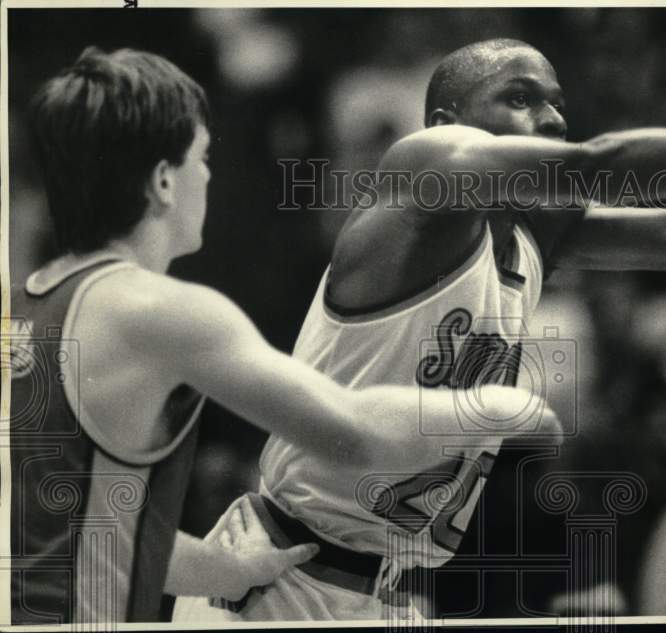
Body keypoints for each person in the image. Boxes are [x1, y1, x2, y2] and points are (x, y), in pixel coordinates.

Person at [177, 38, 666, 621]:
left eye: (555, 99)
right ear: (451, 115)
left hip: (387, 582)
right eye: (520, 96)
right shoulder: (427, 166)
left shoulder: (535, 232)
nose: (549, 114)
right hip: (282, 568)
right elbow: (591, 162)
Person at [7, 46, 557, 625]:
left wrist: (223, 571)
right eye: (202, 156)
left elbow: (79, 526)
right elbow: (349, 431)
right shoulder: (160, 312)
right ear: (164, 181)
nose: (210, 174)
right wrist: (495, 407)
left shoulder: (23, 304)